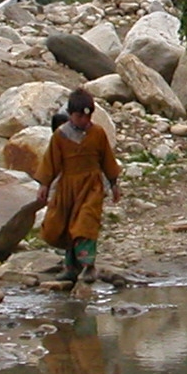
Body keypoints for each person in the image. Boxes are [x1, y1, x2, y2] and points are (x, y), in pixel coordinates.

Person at [36, 89, 123, 282]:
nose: (84, 120)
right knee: (66, 226)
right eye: (79, 116)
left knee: (85, 224)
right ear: (70, 115)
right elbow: (51, 162)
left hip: (91, 187)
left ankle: (88, 266)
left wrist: (114, 183)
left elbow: (107, 159)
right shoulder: (60, 136)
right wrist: (44, 185)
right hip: (68, 187)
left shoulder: (98, 133)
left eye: (88, 116)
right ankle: (71, 267)